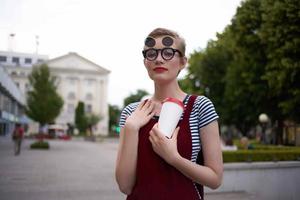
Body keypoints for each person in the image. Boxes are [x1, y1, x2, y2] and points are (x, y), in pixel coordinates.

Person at [115, 28, 223, 200]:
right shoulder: (131, 112)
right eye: (151, 53)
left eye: (168, 53)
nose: (158, 59)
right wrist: (130, 127)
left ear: (182, 62)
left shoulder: (200, 106)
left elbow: (215, 179)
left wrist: (173, 158)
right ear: (145, 62)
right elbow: (125, 185)